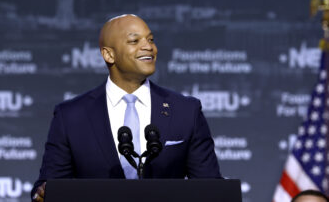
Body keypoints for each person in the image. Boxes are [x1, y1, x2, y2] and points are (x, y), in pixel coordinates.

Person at [31, 14, 222, 202]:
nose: (148, 46)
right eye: (134, 41)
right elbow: (50, 187)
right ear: (109, 54)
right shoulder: (71, 116)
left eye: (151, 39)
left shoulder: (186, 110)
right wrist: (43, 193)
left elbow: (210, 189)